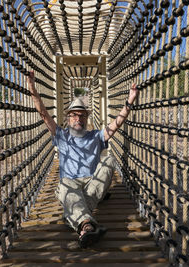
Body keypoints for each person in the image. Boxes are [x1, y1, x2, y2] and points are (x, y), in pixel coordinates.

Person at [26, 71, 139, 248]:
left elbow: (117, 123)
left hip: (92, 181)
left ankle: (71, 212)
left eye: (82, 115)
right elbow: (43, 114)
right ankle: (86, 226)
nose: (78, 118)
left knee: (108, 161)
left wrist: (130, 100)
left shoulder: (96, 136)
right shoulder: (61, 135)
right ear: (68, 118)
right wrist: (32, 87)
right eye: (74, 115)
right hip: (70, 182)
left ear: (87, 118)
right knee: (64, 186)